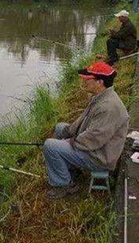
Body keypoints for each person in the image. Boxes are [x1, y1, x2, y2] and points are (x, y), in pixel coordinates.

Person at [43, 61, 129, 199]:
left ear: (99, 82)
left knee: (49, 145)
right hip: (93, 146)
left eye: (88, 79)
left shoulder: (108, 107)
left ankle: (63, 184)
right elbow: (83, 120)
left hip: (100, 157)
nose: (84, 82)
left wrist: (71, 141)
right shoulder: (101, 96)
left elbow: (94, 139)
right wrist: (68, 132)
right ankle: (69, 168)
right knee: (60, 128)